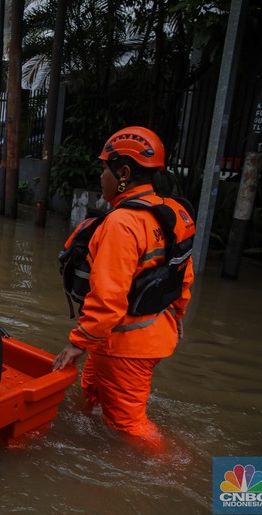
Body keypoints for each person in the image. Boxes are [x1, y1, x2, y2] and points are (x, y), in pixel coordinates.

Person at [52, 126, 195, 447]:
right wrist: (178, 311)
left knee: (129, 426)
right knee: (89, 392)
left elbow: (108, 297)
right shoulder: (175, 212)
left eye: (104, 168)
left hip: (127, 345)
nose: (101, 176)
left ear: (124, 173)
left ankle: (174, 472)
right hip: (151, 332)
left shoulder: (121, 224)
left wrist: (78, 342)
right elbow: (183, 272)